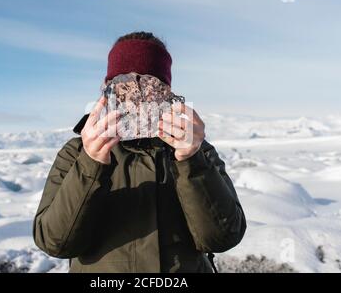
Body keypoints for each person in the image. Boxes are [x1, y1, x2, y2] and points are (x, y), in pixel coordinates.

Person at [33, 31, 246, 273]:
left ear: (167, 94)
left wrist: (191, 161)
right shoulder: (76, 153)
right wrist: (90, 164)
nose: (138, 100)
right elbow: (55, 242)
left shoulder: (196, 150)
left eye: (149, 87)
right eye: (124, 87)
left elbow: (223, 238)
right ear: (107, 90)